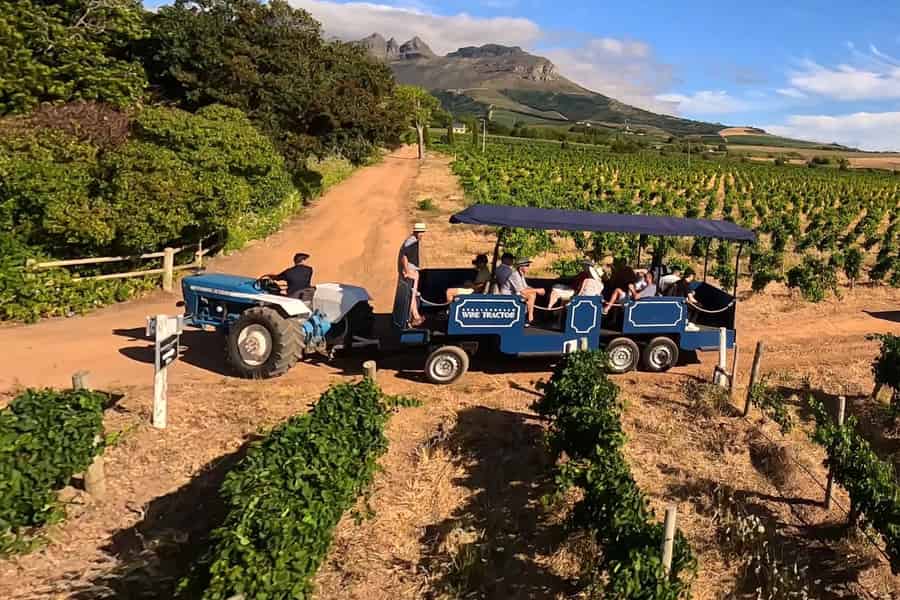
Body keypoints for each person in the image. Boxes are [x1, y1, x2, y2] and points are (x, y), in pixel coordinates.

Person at [398, 223, 427, 326]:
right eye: (419, 232)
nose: (421, 234)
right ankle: (413, 318)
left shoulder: (413, 240)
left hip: (412, 269)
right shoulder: (412, 241)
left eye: (422, 232)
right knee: (411, 294)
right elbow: (404, 256)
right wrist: (407, 271)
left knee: (412, 294)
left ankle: (415, 316)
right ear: (415, 232)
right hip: (410, 270)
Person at [503, 258, 545, 325]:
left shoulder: (521, 275)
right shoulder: (515, 275)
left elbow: (526, 287)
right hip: (507, 296)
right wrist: (537, 290)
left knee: (532, 293)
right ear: (521, 267)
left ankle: (528, 317)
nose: (529, 267)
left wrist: (535, 290)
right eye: (527, 265)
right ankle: (529, 318)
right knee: (531, 295)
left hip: (515, 294)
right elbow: (523, 291)